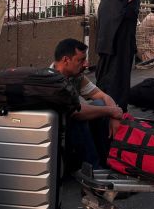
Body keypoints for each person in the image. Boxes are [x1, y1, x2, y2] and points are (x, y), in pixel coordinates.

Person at [52, 39, 123, 171]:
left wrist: (114, 115)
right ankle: (94, 169)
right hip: (58, 136)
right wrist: (112, 111)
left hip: (72, 130)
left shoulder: (76, 76)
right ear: (66, 60)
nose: (86, 64)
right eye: (81, 60)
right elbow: (76, 112)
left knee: (100, 104)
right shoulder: (52, 80)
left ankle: (108, 160)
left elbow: (103, 96)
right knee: (79, 117)